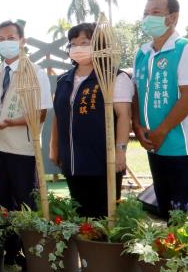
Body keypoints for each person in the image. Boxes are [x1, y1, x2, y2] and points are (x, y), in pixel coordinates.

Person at [0, 20, 52, 269]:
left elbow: (41, 113)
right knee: (4, 201)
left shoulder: (35, 73)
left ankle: (32, 255)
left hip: (21, 147)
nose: (5, 42)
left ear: (22, 40)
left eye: (10, 37)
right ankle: (10, 253)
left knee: (25, 200)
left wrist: (12, 123)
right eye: (0, 38)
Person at [50, 23, 133, 218]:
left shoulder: (115, 77)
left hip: (103, 161)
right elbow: (58, 115)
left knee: (105, 216)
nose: (77, 47)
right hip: (72, 161)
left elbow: (123, 116)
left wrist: (120, 151)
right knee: (80, 215)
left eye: (84, 42)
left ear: (99, 45)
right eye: (73, 43)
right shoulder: (64, 80)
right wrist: (54, 147)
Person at [132, 0, 188, 218]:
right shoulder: (142, 54)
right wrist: (137, 125)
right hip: (153, 145)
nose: (147, 18)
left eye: (155, 13)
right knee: (166, 212)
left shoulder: (186, 49)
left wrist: (161, 131)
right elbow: (135, 93)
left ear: (172, 18)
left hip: (183, 149)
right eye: (145, 13)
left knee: (186, 217)